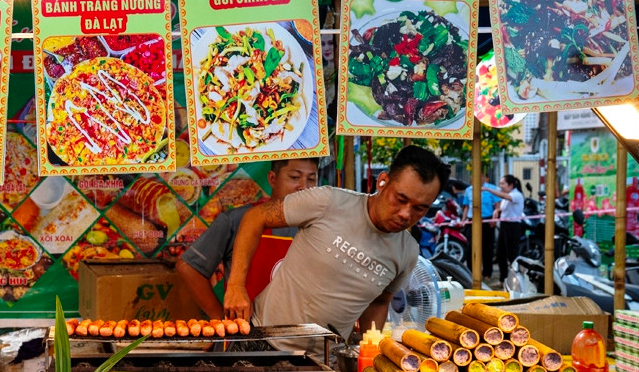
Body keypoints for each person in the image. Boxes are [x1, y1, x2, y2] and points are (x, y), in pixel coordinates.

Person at [222, 145, 450, 347]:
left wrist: (366, 349)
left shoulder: (407, 252)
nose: (405, 214)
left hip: (326, 361)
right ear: (382, 181)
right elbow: (256, 217)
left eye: (420, 209)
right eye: (400, 199)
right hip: (262, 340)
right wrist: (235, 286)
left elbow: (380, 302)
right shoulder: (328, 201)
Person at [177, 158, 320, 319]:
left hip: (297, 335)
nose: (304, 187)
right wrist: (219, 318)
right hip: (245, 335)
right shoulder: (236, 220)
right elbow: (189, 267)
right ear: (272, 179)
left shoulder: (318, 226)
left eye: (311, 179)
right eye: (294, 177)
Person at [483, 174, 525, 283]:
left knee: (512, 255)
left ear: (511, 185)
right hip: (504, 226)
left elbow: (504, 197)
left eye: (503, 183)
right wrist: (496, 212)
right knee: (500, 253)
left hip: (513, 226)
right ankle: (503, 279)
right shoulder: (508, 195)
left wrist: (488, 189)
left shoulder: (516, 195)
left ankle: (517, 280)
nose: (501, 186)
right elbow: (501, 208)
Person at [456, 179, 495, 281]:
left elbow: (497, 205)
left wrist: (495, 217)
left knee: (487, 248)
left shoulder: (491, 188)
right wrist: (463, 220)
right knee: (470, 249)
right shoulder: (469, 190)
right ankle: (471, 273)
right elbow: (466, 207)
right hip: (471, 221)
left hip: (487, 221)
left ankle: (487, 274)